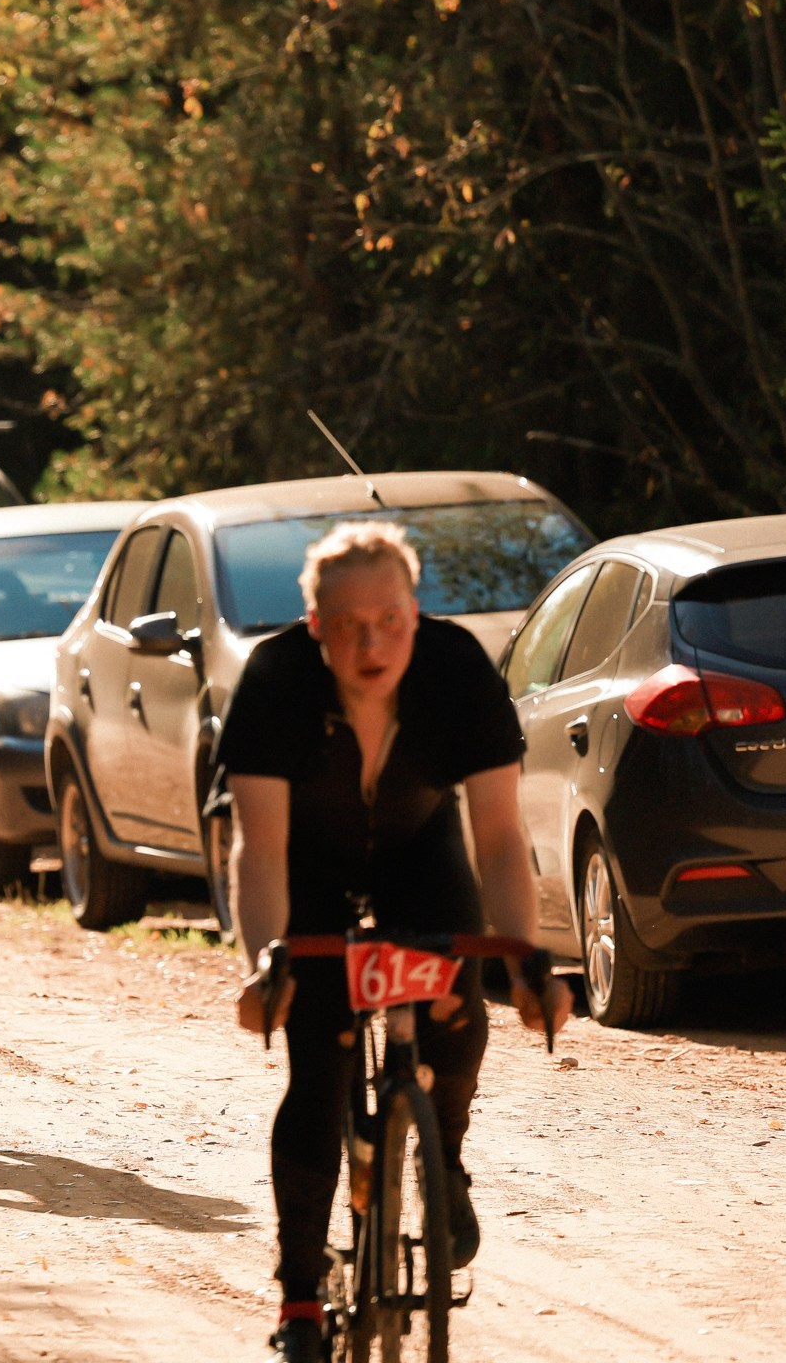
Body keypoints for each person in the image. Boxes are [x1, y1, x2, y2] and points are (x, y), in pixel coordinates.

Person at [217, 521, 571, 1361]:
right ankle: (301, 1298)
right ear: (315, 628)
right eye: (347, 625)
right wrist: (267, 967)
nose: (371, 642)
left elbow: (497, 837)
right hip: (308, 864)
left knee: (459, 999)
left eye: (390, 620)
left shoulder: (457, 672)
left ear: (418, 613)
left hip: (422, 848)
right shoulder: (274, 682)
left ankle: (444, 1160)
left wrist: (523, 960)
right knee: (320, 1056)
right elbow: (258, 850)